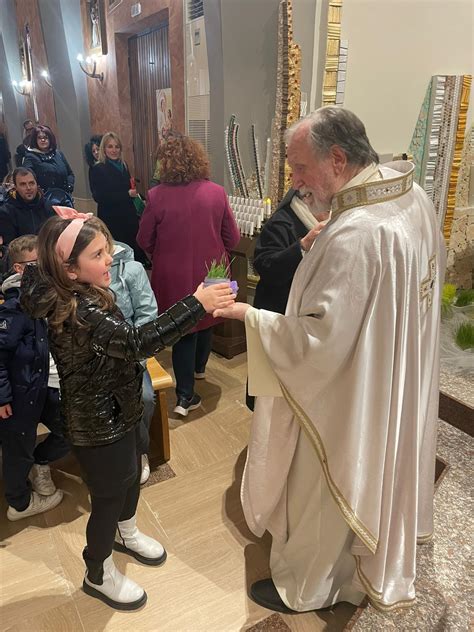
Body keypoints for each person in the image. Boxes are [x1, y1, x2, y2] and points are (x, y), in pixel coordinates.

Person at [214, 107, 445, 613]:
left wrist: (250, 316)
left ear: (338, 159)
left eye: (299, 167)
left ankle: (310, 585)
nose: (294, 182)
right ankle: (360, 565)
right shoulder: (411, 195)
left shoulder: (357, 233)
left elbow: (315, 341)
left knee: (322, 481)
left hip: (348, 388)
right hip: (390, 369)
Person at [20, 208, 235, 610]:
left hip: (123, 404)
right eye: (99, 254)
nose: (112, 257)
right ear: (69, 270)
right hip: (97, 422)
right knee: (107, 494)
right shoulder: (80, 311)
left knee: (133, 473)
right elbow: (138, 341)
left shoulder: (77, 288)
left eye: (108, 248)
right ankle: (97, 571)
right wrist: (196, 303)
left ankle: (128, 531)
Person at [137, 135, 240, 417]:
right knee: (208, 318)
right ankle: (199, 370)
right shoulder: (216, 192)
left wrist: (162, 253)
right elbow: (233, 238)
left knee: (183, 328)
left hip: (172, 272)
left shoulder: (156, 196)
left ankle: (184, 397)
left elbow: (144, 238)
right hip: (213, 269)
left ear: (165, 163)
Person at [0, 235, 69, 521]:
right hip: (20, 393)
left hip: (48, 384)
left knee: (70, 429)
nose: (45, 267)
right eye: (36, 263)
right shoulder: (13, 308)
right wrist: (2, 395)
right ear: (19, 269)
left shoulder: (49, 295)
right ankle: (19, 503)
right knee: (18, 450)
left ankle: (42, 460)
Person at [246, 189, 327, 410]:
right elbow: (264, 264)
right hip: (279, 311)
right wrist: (302, 246)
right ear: (306, 199)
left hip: (307, 316)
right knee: (271, 389)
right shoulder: (282, 222)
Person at [109, 240, 157, 484]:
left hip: (131, 351)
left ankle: (139, 450)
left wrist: (134, 350)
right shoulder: (74, 275)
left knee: (145, 398)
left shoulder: (131, 269)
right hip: (96, 357)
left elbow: (148, 314)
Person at [89, 132, 146, 265]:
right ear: (104, 148)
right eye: (110, 147)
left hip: (128, 213)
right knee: (118, 250)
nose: (114, 150)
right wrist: (126, 194)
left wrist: (139, 197)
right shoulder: (98, 168)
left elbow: (127, 187)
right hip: (111, 216)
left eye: (117, 147)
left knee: (133, 243)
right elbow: (99, 196)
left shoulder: (123, 165)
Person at [0, 167, 54, 245]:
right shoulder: (6, 212)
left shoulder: (49, 207)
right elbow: (9, 246)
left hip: (48, 252)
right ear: (15, 187)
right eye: (23, 184)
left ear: (37, 184)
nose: (28, 188)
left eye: (31, 183)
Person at [23, 125, 75, 194]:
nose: (43, 140)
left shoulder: (58, 153)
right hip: (44, 199)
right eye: (39, 138)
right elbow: (27, 179)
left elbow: (70, 174)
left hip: (64, 195)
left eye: (45, 137)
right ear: (35, 140)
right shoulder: (30, 157)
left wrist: (69, 186)